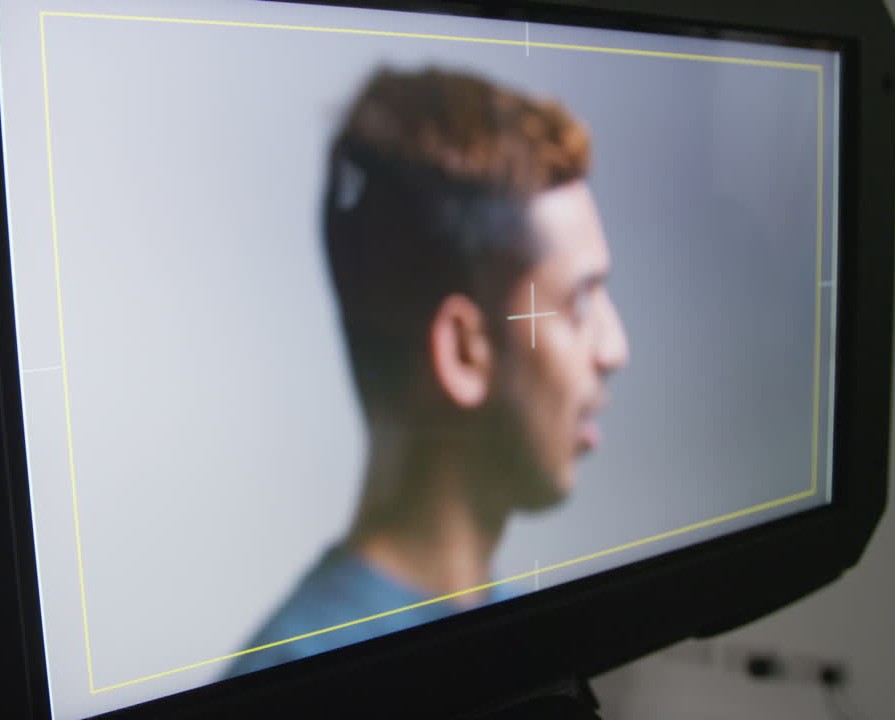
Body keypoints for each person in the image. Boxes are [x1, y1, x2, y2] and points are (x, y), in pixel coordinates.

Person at [222, 66, 628, 679]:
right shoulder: (295, 686)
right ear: (465, 352)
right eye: (578, 303)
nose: (614, 348)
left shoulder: (513, 635)